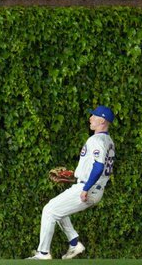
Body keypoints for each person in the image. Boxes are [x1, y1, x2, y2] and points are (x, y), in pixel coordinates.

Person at [30, 106, 116, 260]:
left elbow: (98, 166)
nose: (90, 118)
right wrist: (74, 176)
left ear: (102, 120)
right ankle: (74, 243)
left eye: (94, 116)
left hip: (89, 188)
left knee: (49, 210)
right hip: (94, 187)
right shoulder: (108, 140)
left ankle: (43, 254)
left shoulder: (96, 140)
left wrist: (86, 187)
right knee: (58, 209)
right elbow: (95, 167)